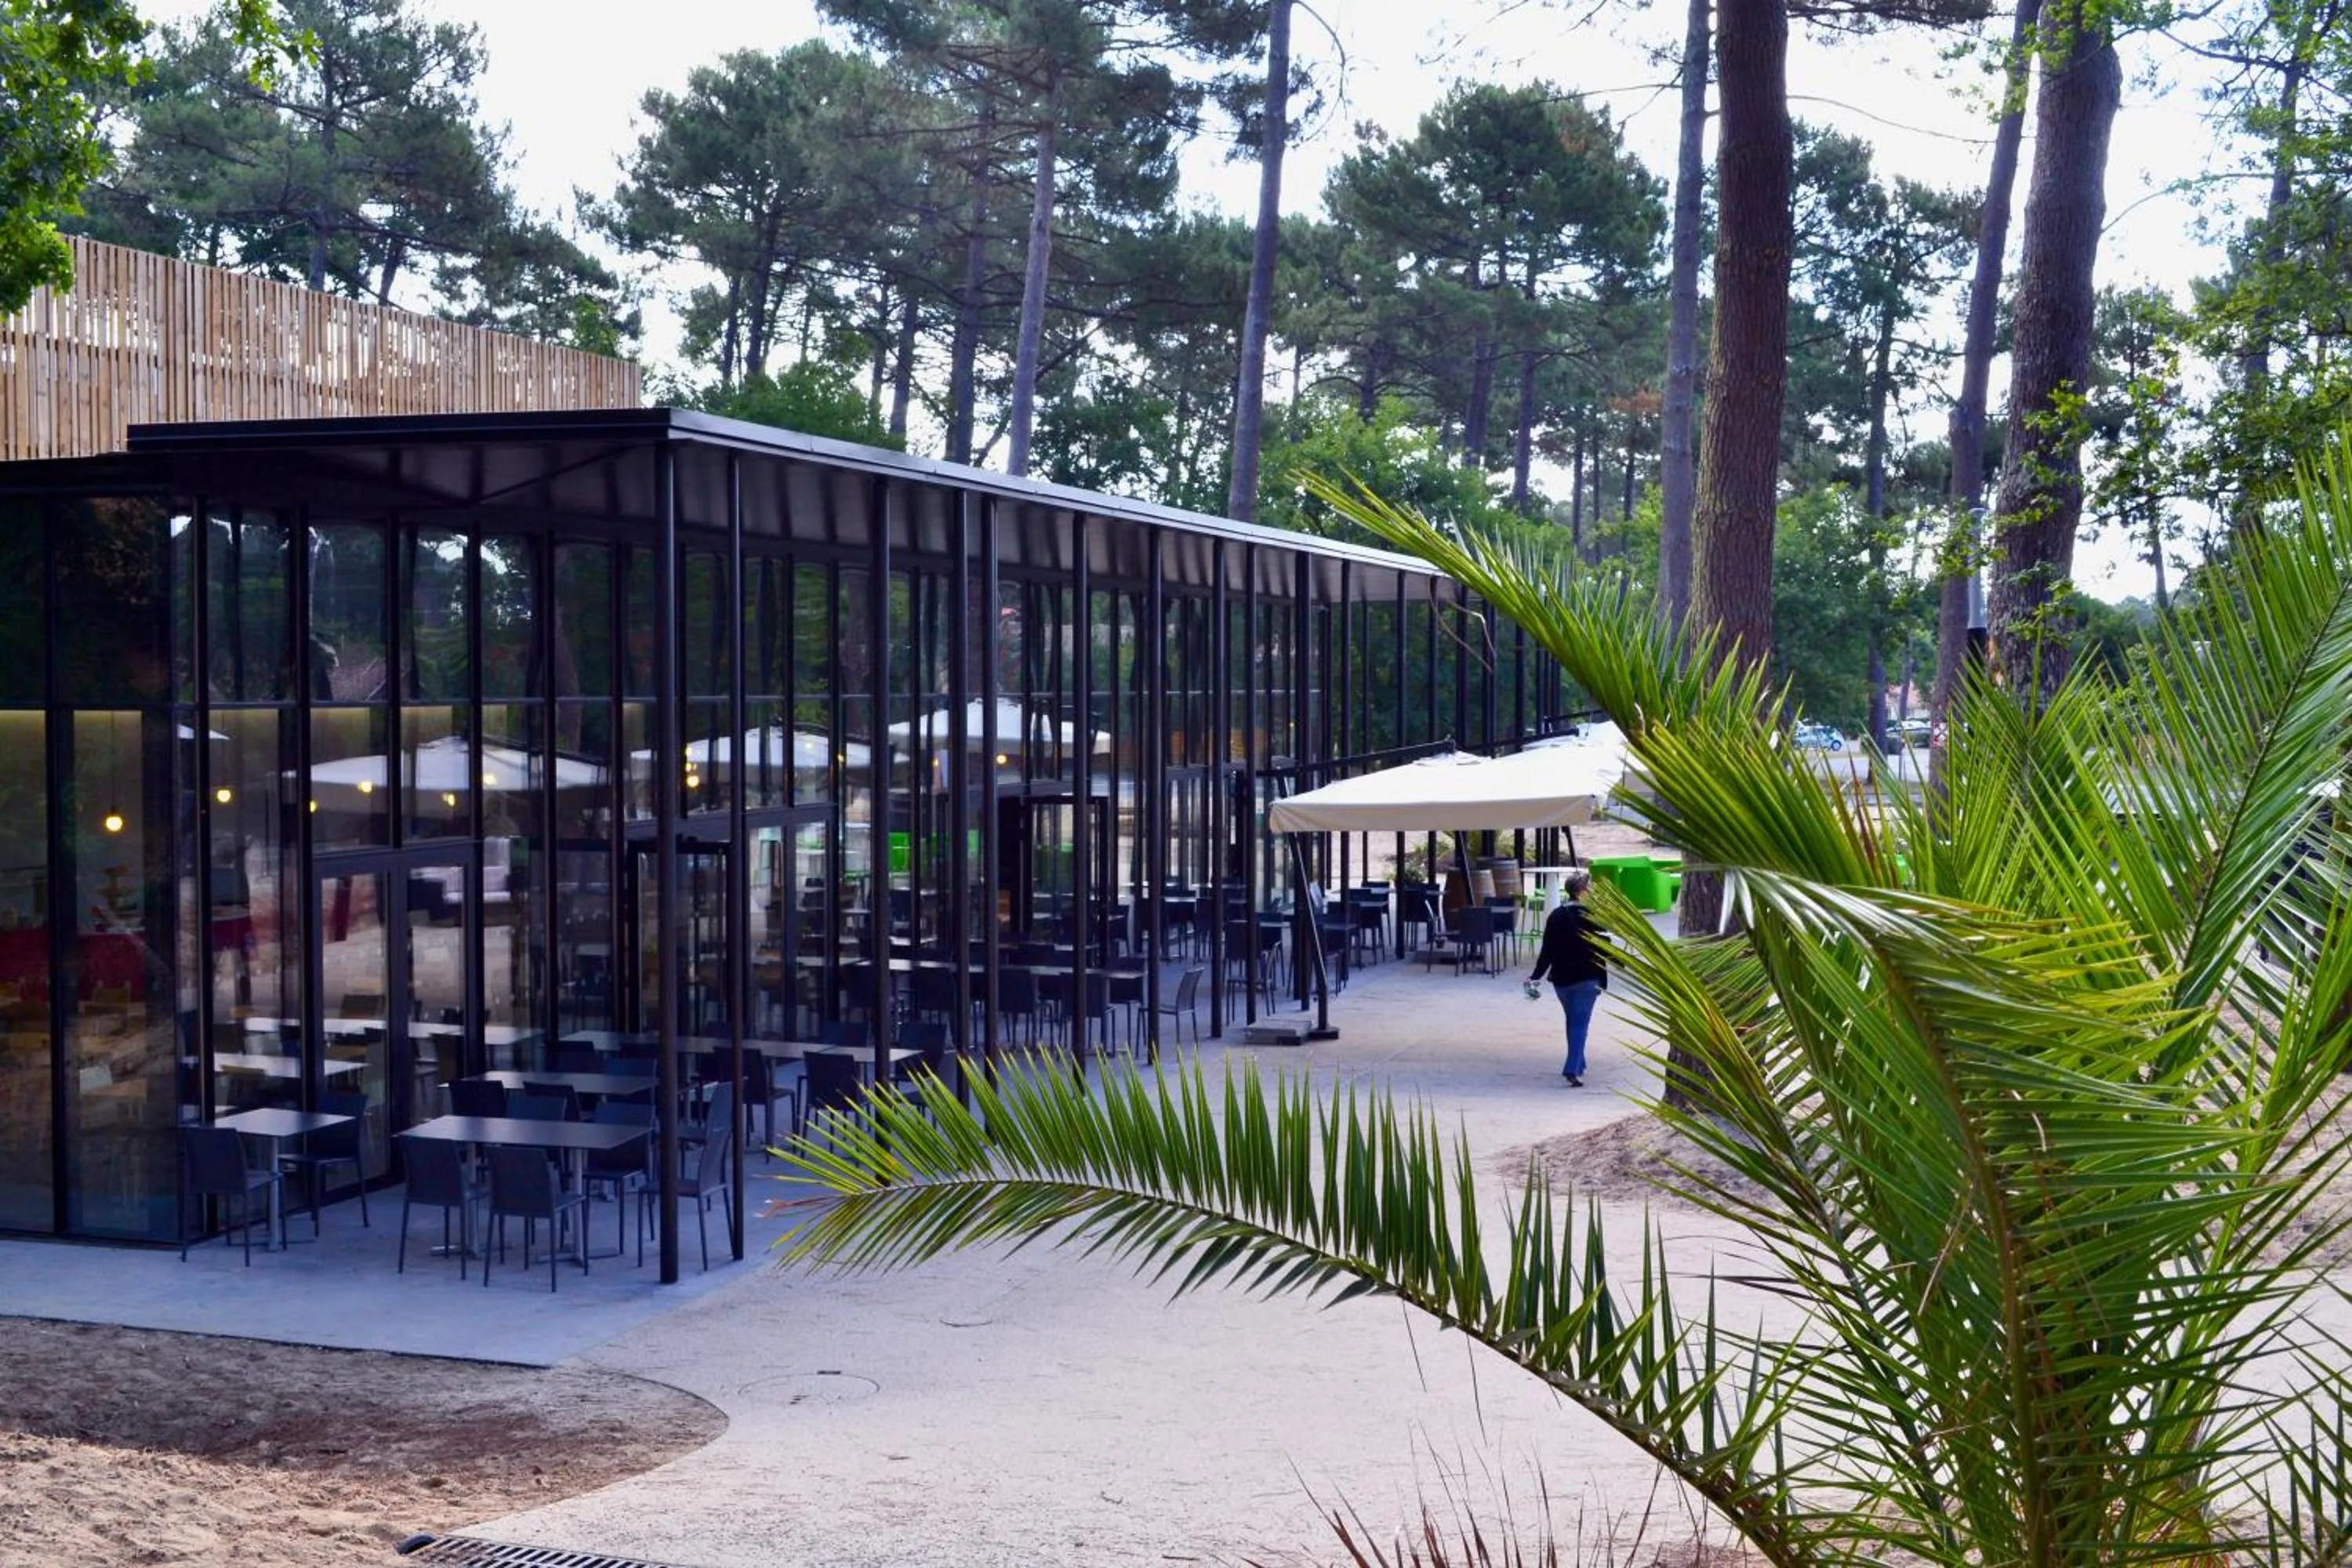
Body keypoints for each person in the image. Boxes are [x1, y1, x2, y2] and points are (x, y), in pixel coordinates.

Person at [1527, 868, 1607, 1086]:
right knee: (1580, 1023)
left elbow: (1548, 950)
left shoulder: (1557, 915)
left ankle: (1579, 1063)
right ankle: (1572, 1068)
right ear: (1582, 892)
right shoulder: (1594, 917)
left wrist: (1536, 976)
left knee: (1573, 1020)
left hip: (1562, 979)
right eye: (1590, 889)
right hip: (1587, 978)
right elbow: (1605, 948)